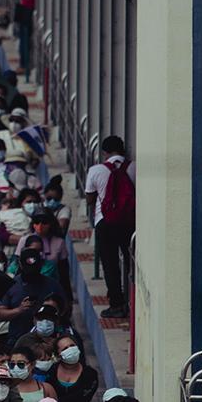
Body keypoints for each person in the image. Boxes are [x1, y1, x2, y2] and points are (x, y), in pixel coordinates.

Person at [84, 136, 136, 321]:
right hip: (130, 222)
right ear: (123, 150)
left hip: (105, 222)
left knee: (110, 264)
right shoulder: (134, 167)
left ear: (104, 152)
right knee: (132, 262)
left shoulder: (96, 170)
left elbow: (89, 199)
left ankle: (116, 304)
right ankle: (135, 302)